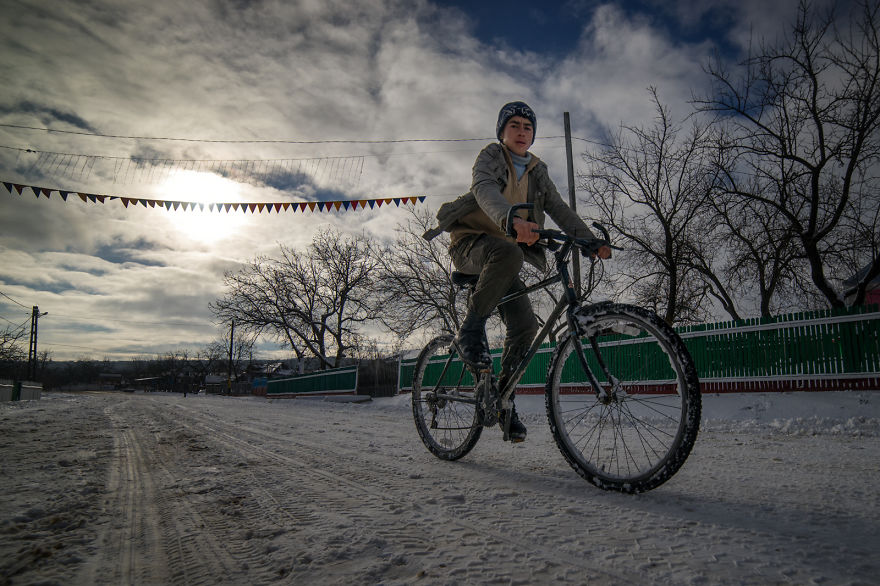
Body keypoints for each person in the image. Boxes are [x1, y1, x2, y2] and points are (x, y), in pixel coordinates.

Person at [424, 101, 611, 442]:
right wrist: (510, 219)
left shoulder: (538, 172)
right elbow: (485, 190)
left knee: (525, 327)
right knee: (509, 251)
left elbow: (558, 208)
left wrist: (589, 240)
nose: (522, 132)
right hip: (470, 245)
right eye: (515, 125)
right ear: (502, 132)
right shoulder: (491, 157)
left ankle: (501, 401)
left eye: (528, 127)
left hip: (503, 257)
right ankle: (469, 331)